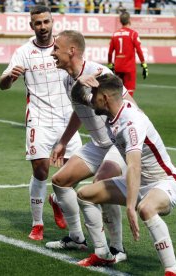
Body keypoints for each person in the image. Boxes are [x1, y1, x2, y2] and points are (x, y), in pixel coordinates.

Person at [73, 73, 176, 275]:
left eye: (94, 93)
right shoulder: (108, 109)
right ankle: (103, 253)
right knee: (85, 195)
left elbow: (134, 167)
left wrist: (130, 207)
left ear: (104, 98)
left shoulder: (131, 122)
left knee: (144, 208)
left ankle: (172, 271)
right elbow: (78, 97)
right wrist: (80, 83)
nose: (91, 96)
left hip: (165, 182)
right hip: (139, 183)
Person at [44, 30, 137, 263]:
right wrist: (63, 142)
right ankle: (76, 238)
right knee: (60, 181)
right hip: (98, 144)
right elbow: (79, 111)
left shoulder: (99, 73)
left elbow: (129, 103)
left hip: (118, 143)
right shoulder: (68, 79)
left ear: (72, 51)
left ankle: (116, 248)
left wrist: (136, 139)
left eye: (57, 48)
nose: (53, 52)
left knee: (100, 187)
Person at [0, 6, 82, 241]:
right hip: (39, 119)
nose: (43, 26)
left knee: (73, 173)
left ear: (53, 22)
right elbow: (2, 84)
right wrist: (9, 78)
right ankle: (37, 224)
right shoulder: (24, 52)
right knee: (41, 171)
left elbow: (79, 70)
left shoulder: (64, 47)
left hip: (67, 119)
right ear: (31, 26)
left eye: (46, 22)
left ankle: (56, 199)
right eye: (38, 23)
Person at [108, 11, 148, 97]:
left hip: (118, 67)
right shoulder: (133, 34)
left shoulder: (115, 34)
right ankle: (126, 109)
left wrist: (110, 65)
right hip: (129, 68)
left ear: (120, 21)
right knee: (129, 93)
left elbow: (110, 52)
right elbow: (139, 50)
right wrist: (144, 65)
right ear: (129, 20)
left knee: (118, 91)